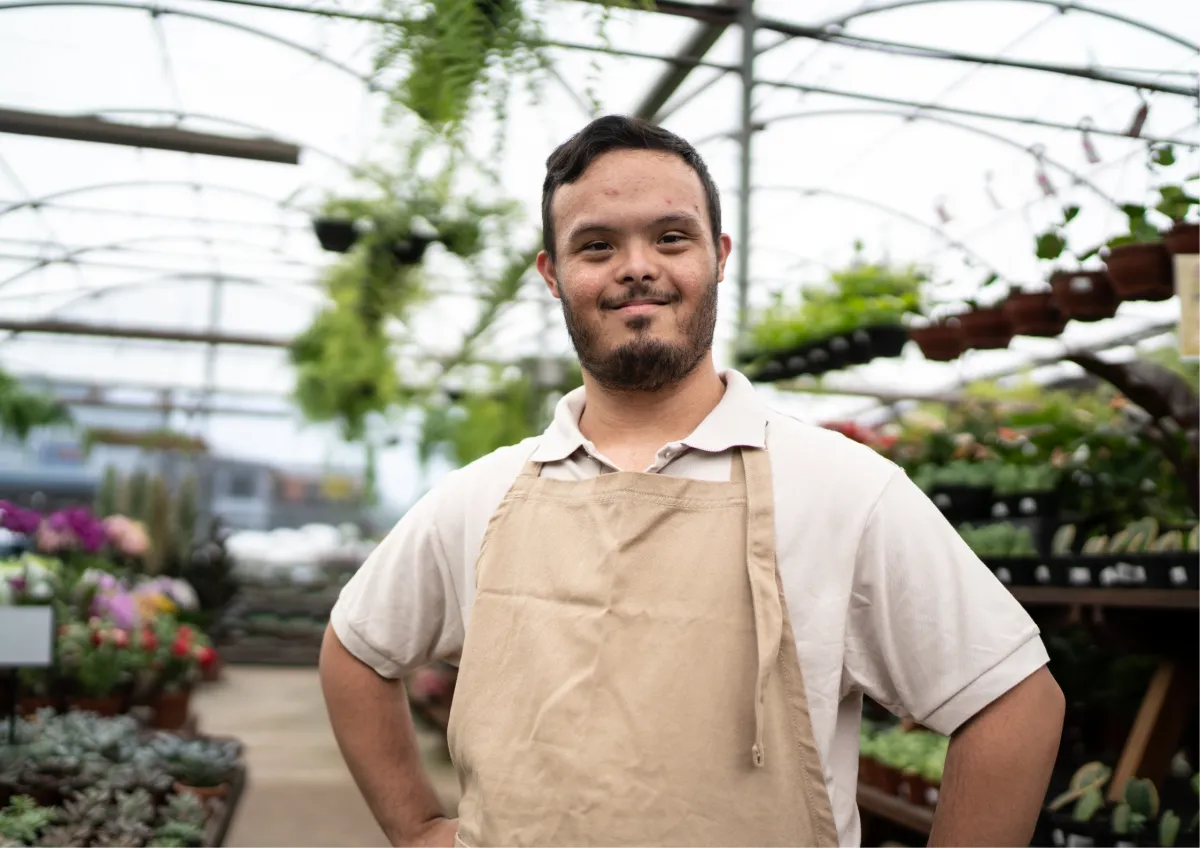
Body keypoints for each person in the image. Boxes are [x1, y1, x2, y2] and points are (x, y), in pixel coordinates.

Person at [319, 114, 1065, 848]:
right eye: (597, 245)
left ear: (719, 255)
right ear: (551, 274)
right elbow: (355, 649)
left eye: (671, 237)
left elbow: (1014, 703)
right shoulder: (479, 498)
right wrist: (416, 828)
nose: (637, 266)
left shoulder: (843, 490)